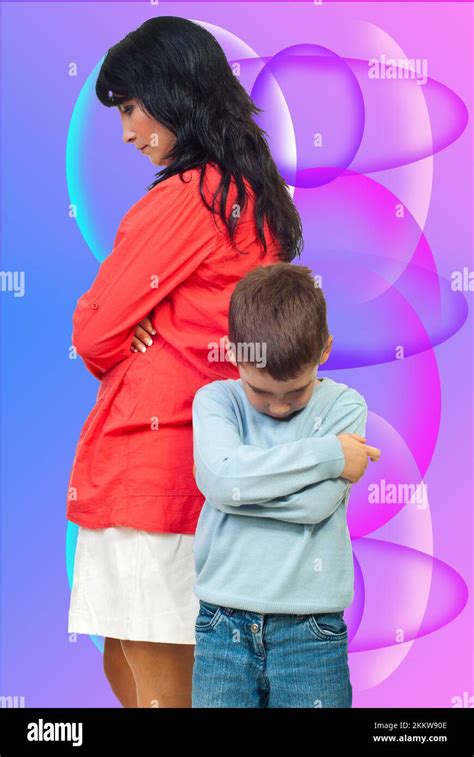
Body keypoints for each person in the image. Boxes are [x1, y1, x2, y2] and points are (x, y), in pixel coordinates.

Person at [66, 17, 304, 708]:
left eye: (133, 109)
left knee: (162, 677)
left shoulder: (189, 197)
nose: (127, 132)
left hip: (154, 464)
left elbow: (92, 329)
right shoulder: (251, 196)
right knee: (139, 664)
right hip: (197, 459)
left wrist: (130, 325)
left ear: (175, 95)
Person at [191, 263, 381, 708]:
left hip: (310, 633)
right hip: (223, 626)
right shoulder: (216, 401)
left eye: (295, 394)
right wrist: (330, 455)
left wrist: (236, 489)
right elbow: (221, 481)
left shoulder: (344, 405)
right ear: (233, 353)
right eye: (261, 392)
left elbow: (316, 504)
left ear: (325, 350)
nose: (278, 409)